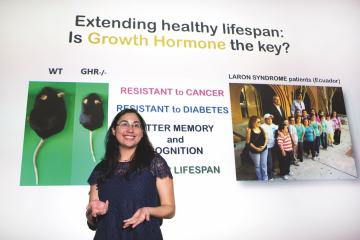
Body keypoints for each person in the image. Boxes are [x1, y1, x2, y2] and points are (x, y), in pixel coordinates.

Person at [86, 109, 175, 240]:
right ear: (113, 131)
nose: (130, 129)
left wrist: (148, 210)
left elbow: (170, 209)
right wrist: (91, 213)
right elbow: (92, 222)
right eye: (124, 124)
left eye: (136, 125)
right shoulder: (100, 169)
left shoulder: (155, 162)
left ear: (142, 132)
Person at [246, 116, 268, 181]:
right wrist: (256, 148)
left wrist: (263, 146)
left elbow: (266, 138)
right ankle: (260, 179)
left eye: (260, 121)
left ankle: (265, 179)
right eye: (258, 122)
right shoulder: (249, 130)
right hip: (254, 151)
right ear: (253, 122)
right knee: (258, 166)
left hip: (264, 150)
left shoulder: (262, 129)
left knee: (264, 165)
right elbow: (248, 142)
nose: (259, 123)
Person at [261, 113, 278, 180]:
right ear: (265, 119)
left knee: (273, 160)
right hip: (266, 147)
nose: (270, 120)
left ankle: (272, 171)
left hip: (273, 145)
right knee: (269, 162)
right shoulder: (262, 126)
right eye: (268, 119)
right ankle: (269, 176)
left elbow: (280, 128)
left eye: (271, 118)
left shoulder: (274, 125)